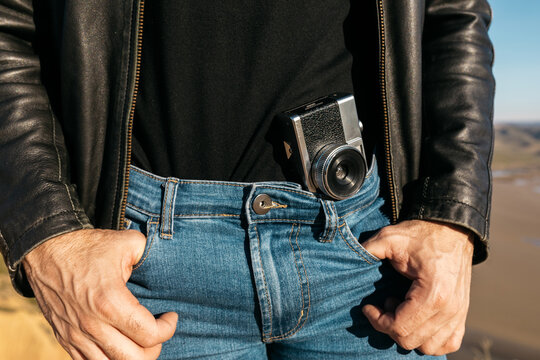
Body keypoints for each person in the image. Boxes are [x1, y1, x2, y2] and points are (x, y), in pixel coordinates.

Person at [0, 0, 494, 359]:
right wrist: (47, 231)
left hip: (362, 248)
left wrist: (451, 216)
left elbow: (453, 17)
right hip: (148, 259)